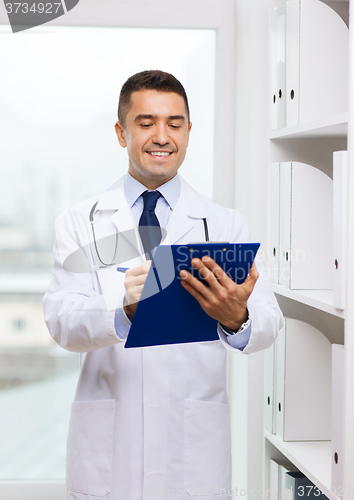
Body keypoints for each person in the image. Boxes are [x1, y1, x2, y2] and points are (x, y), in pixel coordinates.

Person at [43, 70, 283, 500]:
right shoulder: (81, 221)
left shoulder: (225, 224)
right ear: (121, 133)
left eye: (175, 123)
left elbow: (268, 322)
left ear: (189, 133)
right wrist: (123, 312)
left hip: (192, 448)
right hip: (109, 449)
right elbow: (61, 320)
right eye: (146, 122)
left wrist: (237, 318)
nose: (162, 136)